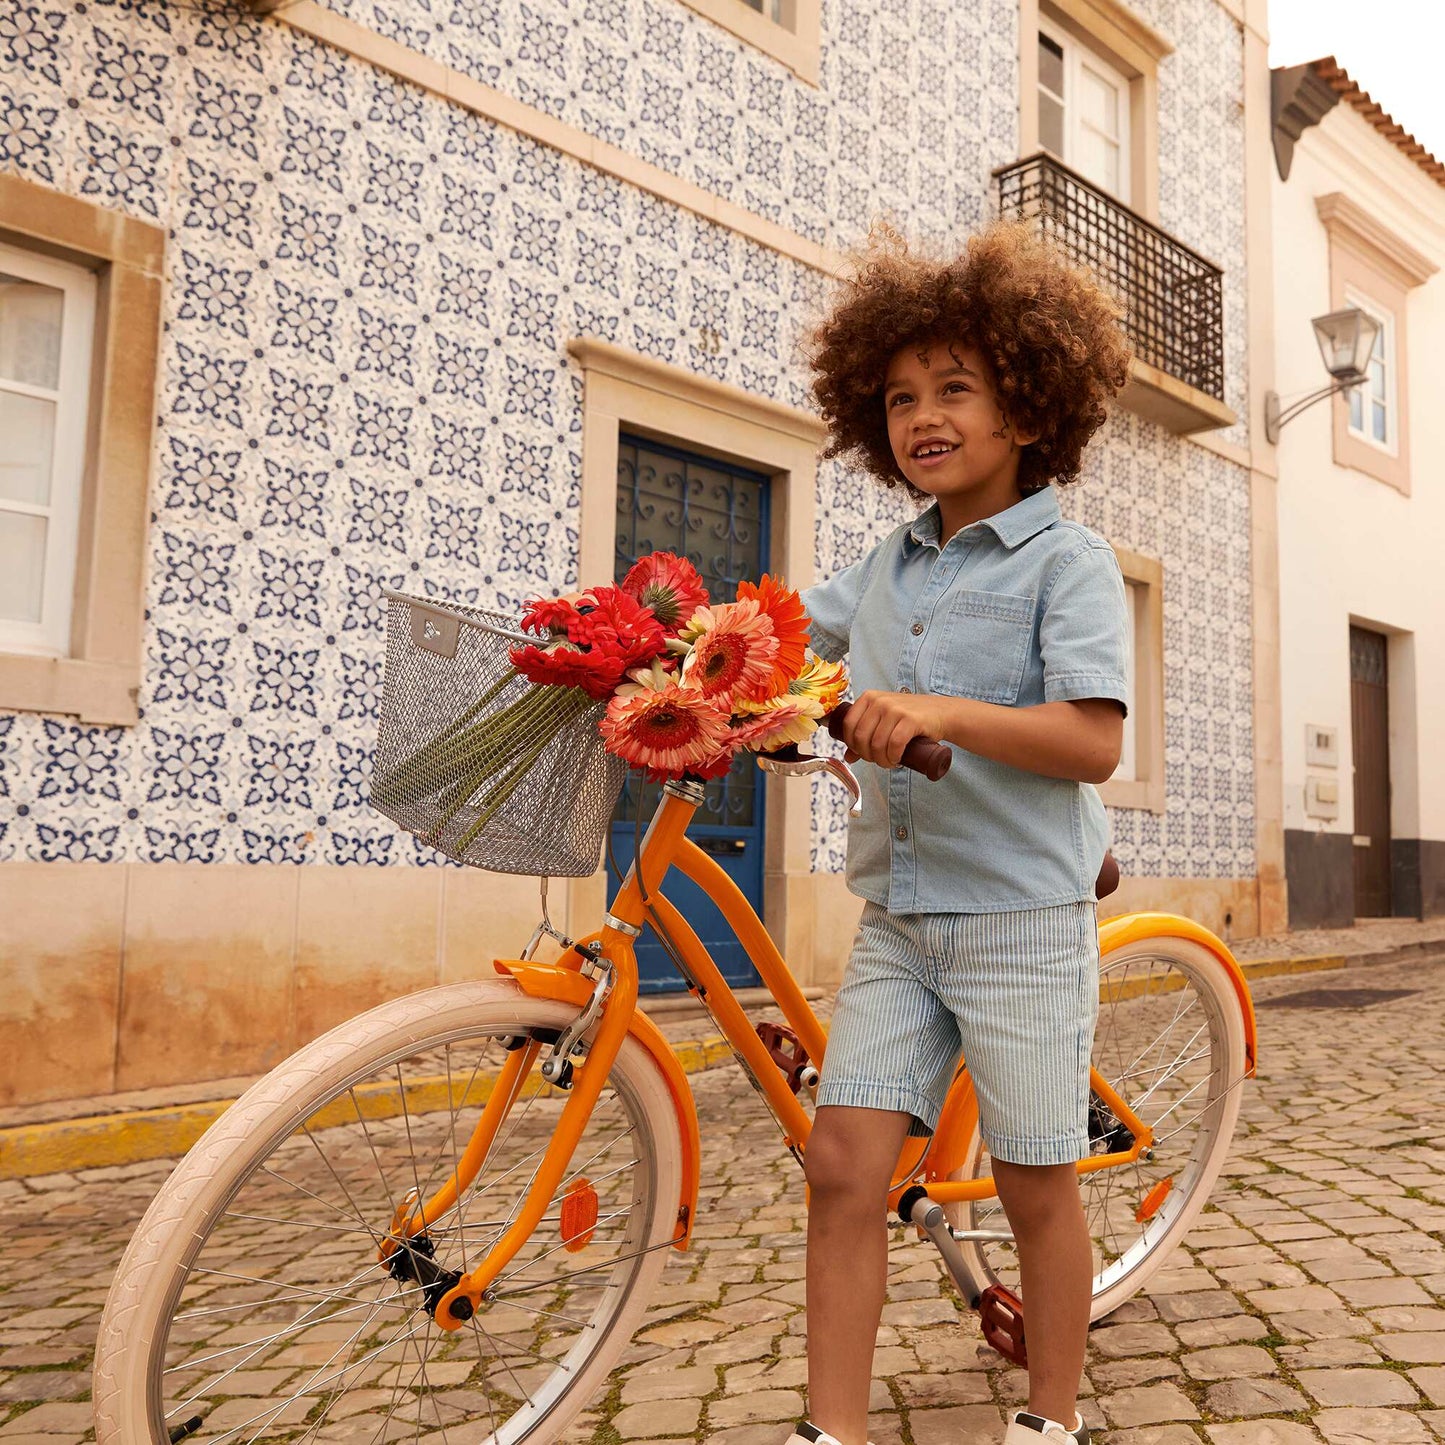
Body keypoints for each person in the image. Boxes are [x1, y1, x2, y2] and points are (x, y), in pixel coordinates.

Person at [789, 220, 1133, 1445]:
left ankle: (1047, 1421)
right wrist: (663, 651)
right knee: (840, 1162)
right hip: (900, 914)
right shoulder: (885, 565)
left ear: (1027, 407)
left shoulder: (1068, 562)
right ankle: (827, 1429)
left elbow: (1094, 744)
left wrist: (938, 710)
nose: (920, 415)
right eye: (896, 397)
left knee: (1037, 1177)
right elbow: (787, 636)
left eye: (953, 389)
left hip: (1021, 919)